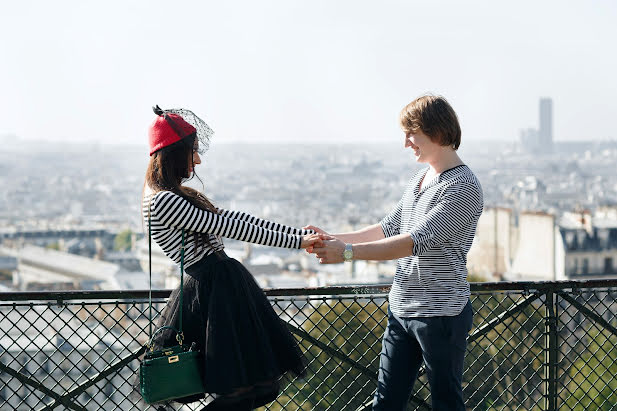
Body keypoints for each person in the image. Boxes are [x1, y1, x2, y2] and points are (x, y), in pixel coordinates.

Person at [307, 95, 483, 411]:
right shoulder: (421, 178)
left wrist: (346, 253)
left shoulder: (463, 186)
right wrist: (329, 239)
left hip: (440, 313)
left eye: (411, 133)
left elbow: (412, 242)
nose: (406, 143)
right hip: (402, 308)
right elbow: (387, 228)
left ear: (438, 132)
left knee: (446, 402)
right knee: (386, 403)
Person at [139, 105, 321, 410]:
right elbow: (232, 226)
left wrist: (299, 234)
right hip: (214, 290)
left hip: (215, 286)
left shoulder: (165, 195)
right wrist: (298, 241)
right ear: (172, 154)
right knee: (246, 388)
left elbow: (238, 219)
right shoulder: (164, 200)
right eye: (192, 152)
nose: (197, 160)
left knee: (249, 388)